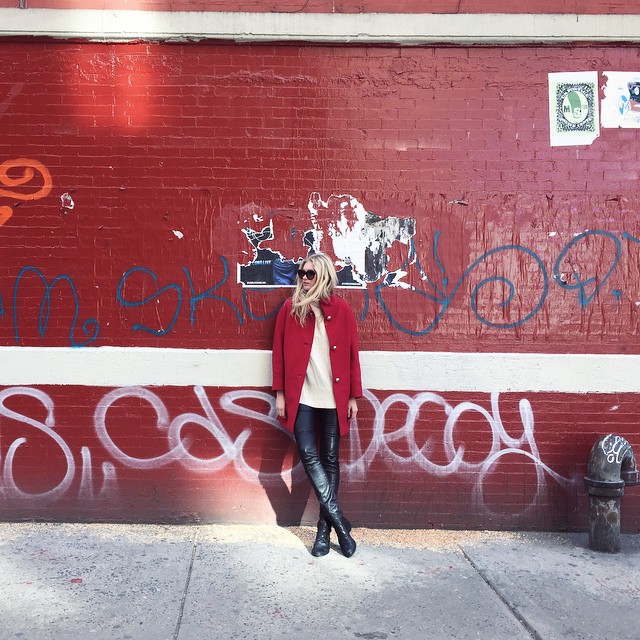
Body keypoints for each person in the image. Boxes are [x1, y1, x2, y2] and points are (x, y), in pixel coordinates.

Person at [272, 253, 362, 558]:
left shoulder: (342, 310)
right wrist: (280, 393)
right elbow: (278, 354)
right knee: (310, 457)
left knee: (330, 460)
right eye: (302, 273)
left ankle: (324, 531)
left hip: (334, 398)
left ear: (323, 276)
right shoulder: (291, 308)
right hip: (303, 397)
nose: (305, 278)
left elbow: (352, 355)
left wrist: (353, 396)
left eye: (310, 273)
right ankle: (340, 523)